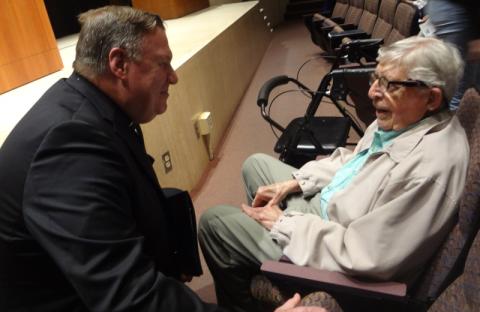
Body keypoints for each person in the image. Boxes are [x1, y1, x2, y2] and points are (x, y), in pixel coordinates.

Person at [0, 5, 329, 312]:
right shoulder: (69, 145)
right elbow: (129, 298)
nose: (173, 77)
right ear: (119, 64)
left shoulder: (94, 107)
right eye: (163, 64)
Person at [199, 36, 469, 312]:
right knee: (254, 164)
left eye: (390, 85)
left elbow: (364, 256)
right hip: (338, 207)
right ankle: (262, 260)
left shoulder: (428, 169)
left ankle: (257, 289)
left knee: (214, 223)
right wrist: (296, 182)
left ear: (432, 98)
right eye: (375, 78)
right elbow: (355, 161)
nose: (373, 92)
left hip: (340, 249)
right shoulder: (406, 119)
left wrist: (283, 223)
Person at [424, 0, 479, 109]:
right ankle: (451, 123)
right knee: (458, 91)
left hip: (448, 9)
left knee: (460, 84)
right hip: (458, 12)